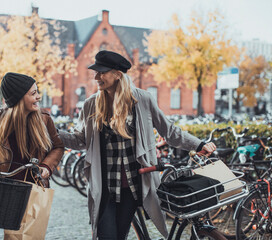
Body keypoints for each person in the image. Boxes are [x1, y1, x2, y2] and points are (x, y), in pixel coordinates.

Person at [58, 50, 216, 240]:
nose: (96, 77)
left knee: (119, 234)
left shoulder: (142, 100)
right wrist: (51, 134)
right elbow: (80, 140)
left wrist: (199, 145)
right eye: (96, 72)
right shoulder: (91, 104)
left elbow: (170, 132)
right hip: (105, 186)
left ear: (117, 74)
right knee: (106, 235)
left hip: (133, 186)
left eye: (102, 72)